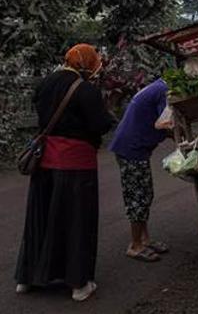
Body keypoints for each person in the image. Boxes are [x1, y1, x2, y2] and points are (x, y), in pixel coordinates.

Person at [15, 43, 116, 302]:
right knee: (76, 221)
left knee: (41, 217)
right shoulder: (85, 90)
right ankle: (78, 284)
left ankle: (27, 278)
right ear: (88, 64)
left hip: (45, 162)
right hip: (76, 165)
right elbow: (101, 124)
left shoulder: (46, 83)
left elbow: (40, 109)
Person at [108, 77, 173, 263]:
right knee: (138, 197)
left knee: (144, 194)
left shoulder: (158, 87)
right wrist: (179, 134)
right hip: (131, 149)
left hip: (132, 147)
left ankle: (145, 240)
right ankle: (135, 245)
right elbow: (164, 123)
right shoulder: (163, 92)